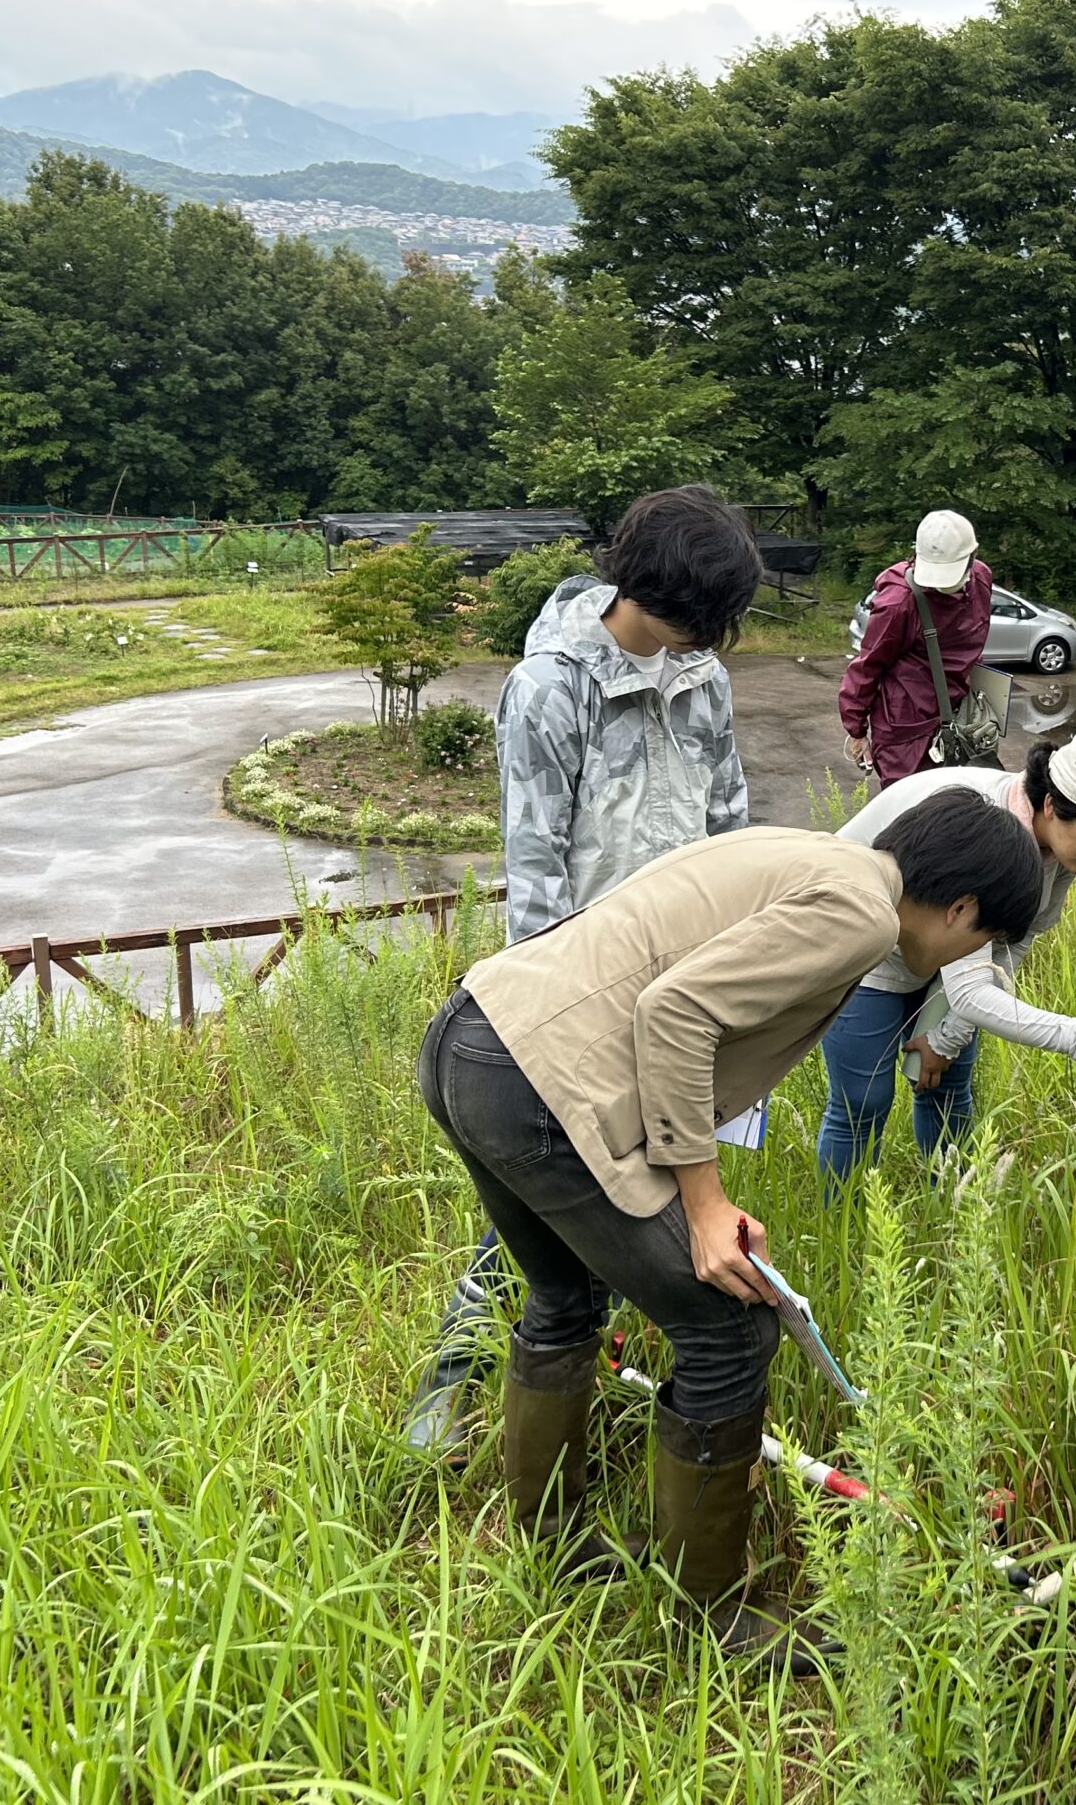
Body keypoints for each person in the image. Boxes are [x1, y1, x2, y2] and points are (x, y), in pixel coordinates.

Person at [421, 797, 1045, 1670]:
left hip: (472, 1042)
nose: (966, 959)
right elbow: (677, 1012)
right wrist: (705, 1207)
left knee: (567, 1292)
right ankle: (707, 1618)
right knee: (729, 1327)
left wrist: (695, 1190)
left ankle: (552, 1547)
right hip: (540, 1085)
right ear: (963, 910)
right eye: (981, 942)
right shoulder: (860, 914)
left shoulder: (814, 854)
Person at [402, 486, 765, 1462]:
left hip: (685, 978)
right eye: (709, 620)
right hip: (580, 984)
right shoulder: (554, 685)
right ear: (659, 595)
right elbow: (536, 868)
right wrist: (554, 1023)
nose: (714, 642)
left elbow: (727, 824)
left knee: (640, 1195)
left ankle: (574, 1367)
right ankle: (454, 1370)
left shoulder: (702, 676)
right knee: (540, 1197)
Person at [815, 735, 1076, 1179]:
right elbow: (969, 990)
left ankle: (954, 1211)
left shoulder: (1060, 847)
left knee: (949, 1083)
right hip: (869, 949)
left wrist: (945, 1039)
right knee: (862, 1102)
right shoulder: (988, 831)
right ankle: (841, 1230)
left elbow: (1012, 942)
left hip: (945, 947)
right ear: (1053, 804)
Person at [839, 509, 994, 785]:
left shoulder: (982, 579)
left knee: (957, 809)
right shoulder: (899, 601)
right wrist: (857, 729)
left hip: (960, 718)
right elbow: (867, 666)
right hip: (905, 732)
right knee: (908, 814)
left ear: (972, 557)